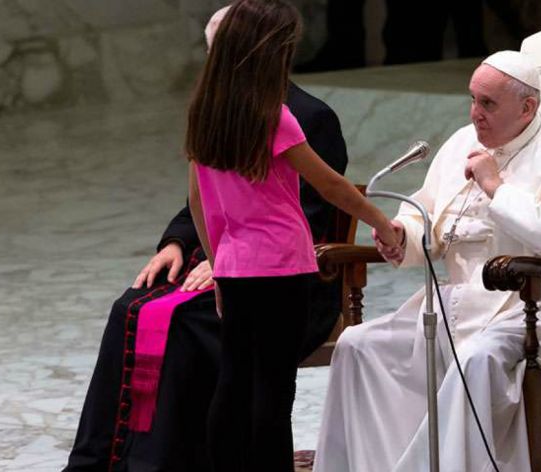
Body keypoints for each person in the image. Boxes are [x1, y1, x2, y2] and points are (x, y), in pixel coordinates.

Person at [64, 6, 350, 472]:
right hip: (226, 258)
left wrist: (223, 260)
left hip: (288, 276)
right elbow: (197, 200)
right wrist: (176, 244)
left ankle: (173, 460)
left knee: (185, 322)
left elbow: (314, 211)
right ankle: (104, 461)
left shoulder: (310, 116)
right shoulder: (217, 110)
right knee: (129, 308)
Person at [314, 50, 541, 471]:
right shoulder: (461, 143)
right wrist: (402, 236)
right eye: (473, 99)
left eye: (488, 103)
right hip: (459, 303)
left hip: (538, 306)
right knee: (357, 345)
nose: (475, 113)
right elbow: (427, 215)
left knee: (476, 358)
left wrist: (496, 187)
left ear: (527, 108)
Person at [184, 1, 400, 471]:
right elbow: (331, 186)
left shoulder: (204, 113)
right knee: (274, 388)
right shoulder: (274, 116)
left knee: (233, 380)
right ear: (267, 52)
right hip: (283, 264)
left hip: (234, 266)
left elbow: (199, 203)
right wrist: (383, 224)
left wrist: (219, 265)